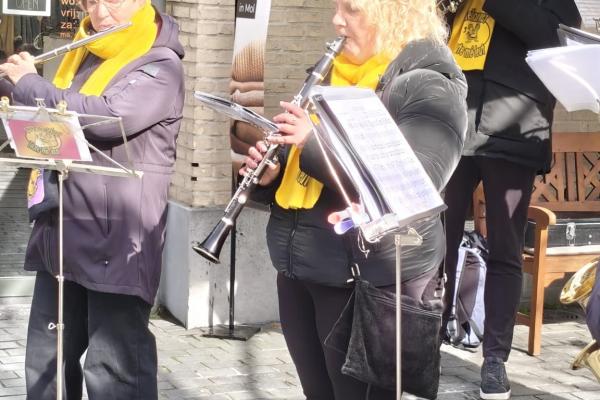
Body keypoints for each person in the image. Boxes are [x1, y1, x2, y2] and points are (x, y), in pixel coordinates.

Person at [241, 0, 467, 398]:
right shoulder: (332, 75)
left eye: (352, 10)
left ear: (394, 12)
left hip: (366, 278)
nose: (337, 21)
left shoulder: (430, 84)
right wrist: (273, 175)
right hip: (301, 265)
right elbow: (312, 177)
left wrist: (313, 143)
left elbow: (414, 184)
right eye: (336, 7)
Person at [0, 0, 184, 397]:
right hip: (62, 228)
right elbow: (49, 111)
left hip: (117, 237)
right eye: (89, 1)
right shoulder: (85, 55)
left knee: (113, 371)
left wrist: (30, 83)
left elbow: (106, 116)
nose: (98, 13)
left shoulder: (161, 64)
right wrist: (11, 82)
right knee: (46, 361)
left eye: (111, 0)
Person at [441, 1, 582, 399]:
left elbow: (554, 36)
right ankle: (425, 340)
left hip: (513, 127)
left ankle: (494, 359)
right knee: (436, 243)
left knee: (506, 249)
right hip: (453, 119)